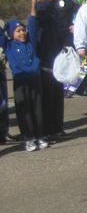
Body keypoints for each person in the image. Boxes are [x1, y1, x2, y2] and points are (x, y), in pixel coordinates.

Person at [31, 0, 68, 139]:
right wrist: (50, 0)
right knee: (47, 99)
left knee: (57, 98)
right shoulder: (40, 11)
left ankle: (57, 127)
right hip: (45, 63)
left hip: (56, 61)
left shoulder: (53, 12)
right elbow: (39, 12)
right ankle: (47, 130)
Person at [4, 19, 47, 151]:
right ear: (11, 33)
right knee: (24, 111)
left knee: (37, 108)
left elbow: (33, 23)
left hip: (34, 79)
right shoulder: (9, 45)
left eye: (23, 30)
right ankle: (28, 138)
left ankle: (39, 136)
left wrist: (33, 5)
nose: (22, 33)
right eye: (18, 31)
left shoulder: (31, 43)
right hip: (20, 81)